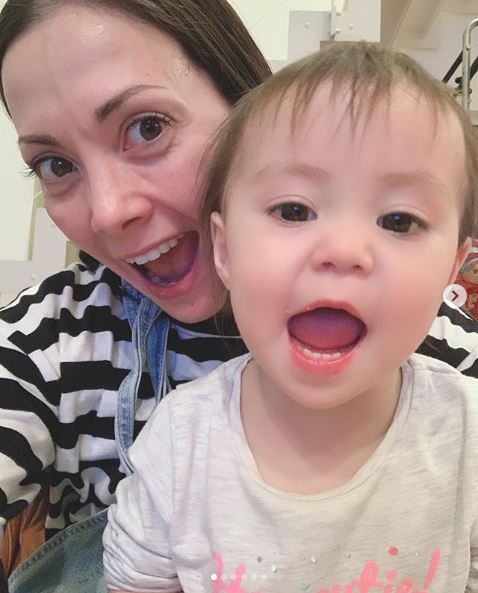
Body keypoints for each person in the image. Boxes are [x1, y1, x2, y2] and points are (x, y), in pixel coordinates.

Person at [0, 0, 477, 583]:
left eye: (147, 127)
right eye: (54, 165)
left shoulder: (451, 376)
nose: (109, 212)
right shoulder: (45, 346)